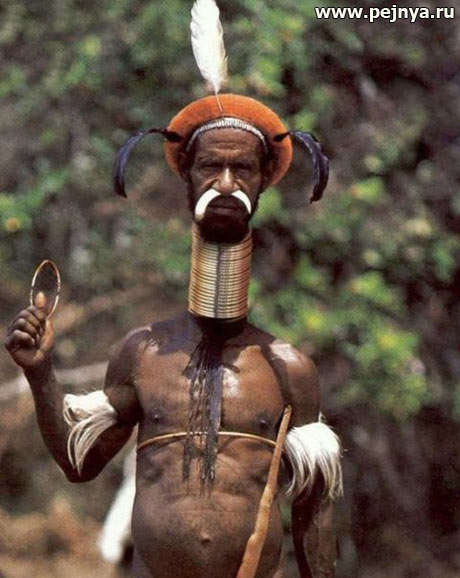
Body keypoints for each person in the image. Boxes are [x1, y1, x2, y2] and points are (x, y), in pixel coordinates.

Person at [4, 2, 342, 577]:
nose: (226, 183)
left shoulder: (289, 370)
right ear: (187, 176)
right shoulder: (143, 354)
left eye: (243, 170)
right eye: (211, 167)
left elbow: (314, 519)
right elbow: (78, 466)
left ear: (263, 182)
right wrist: (40, 373)